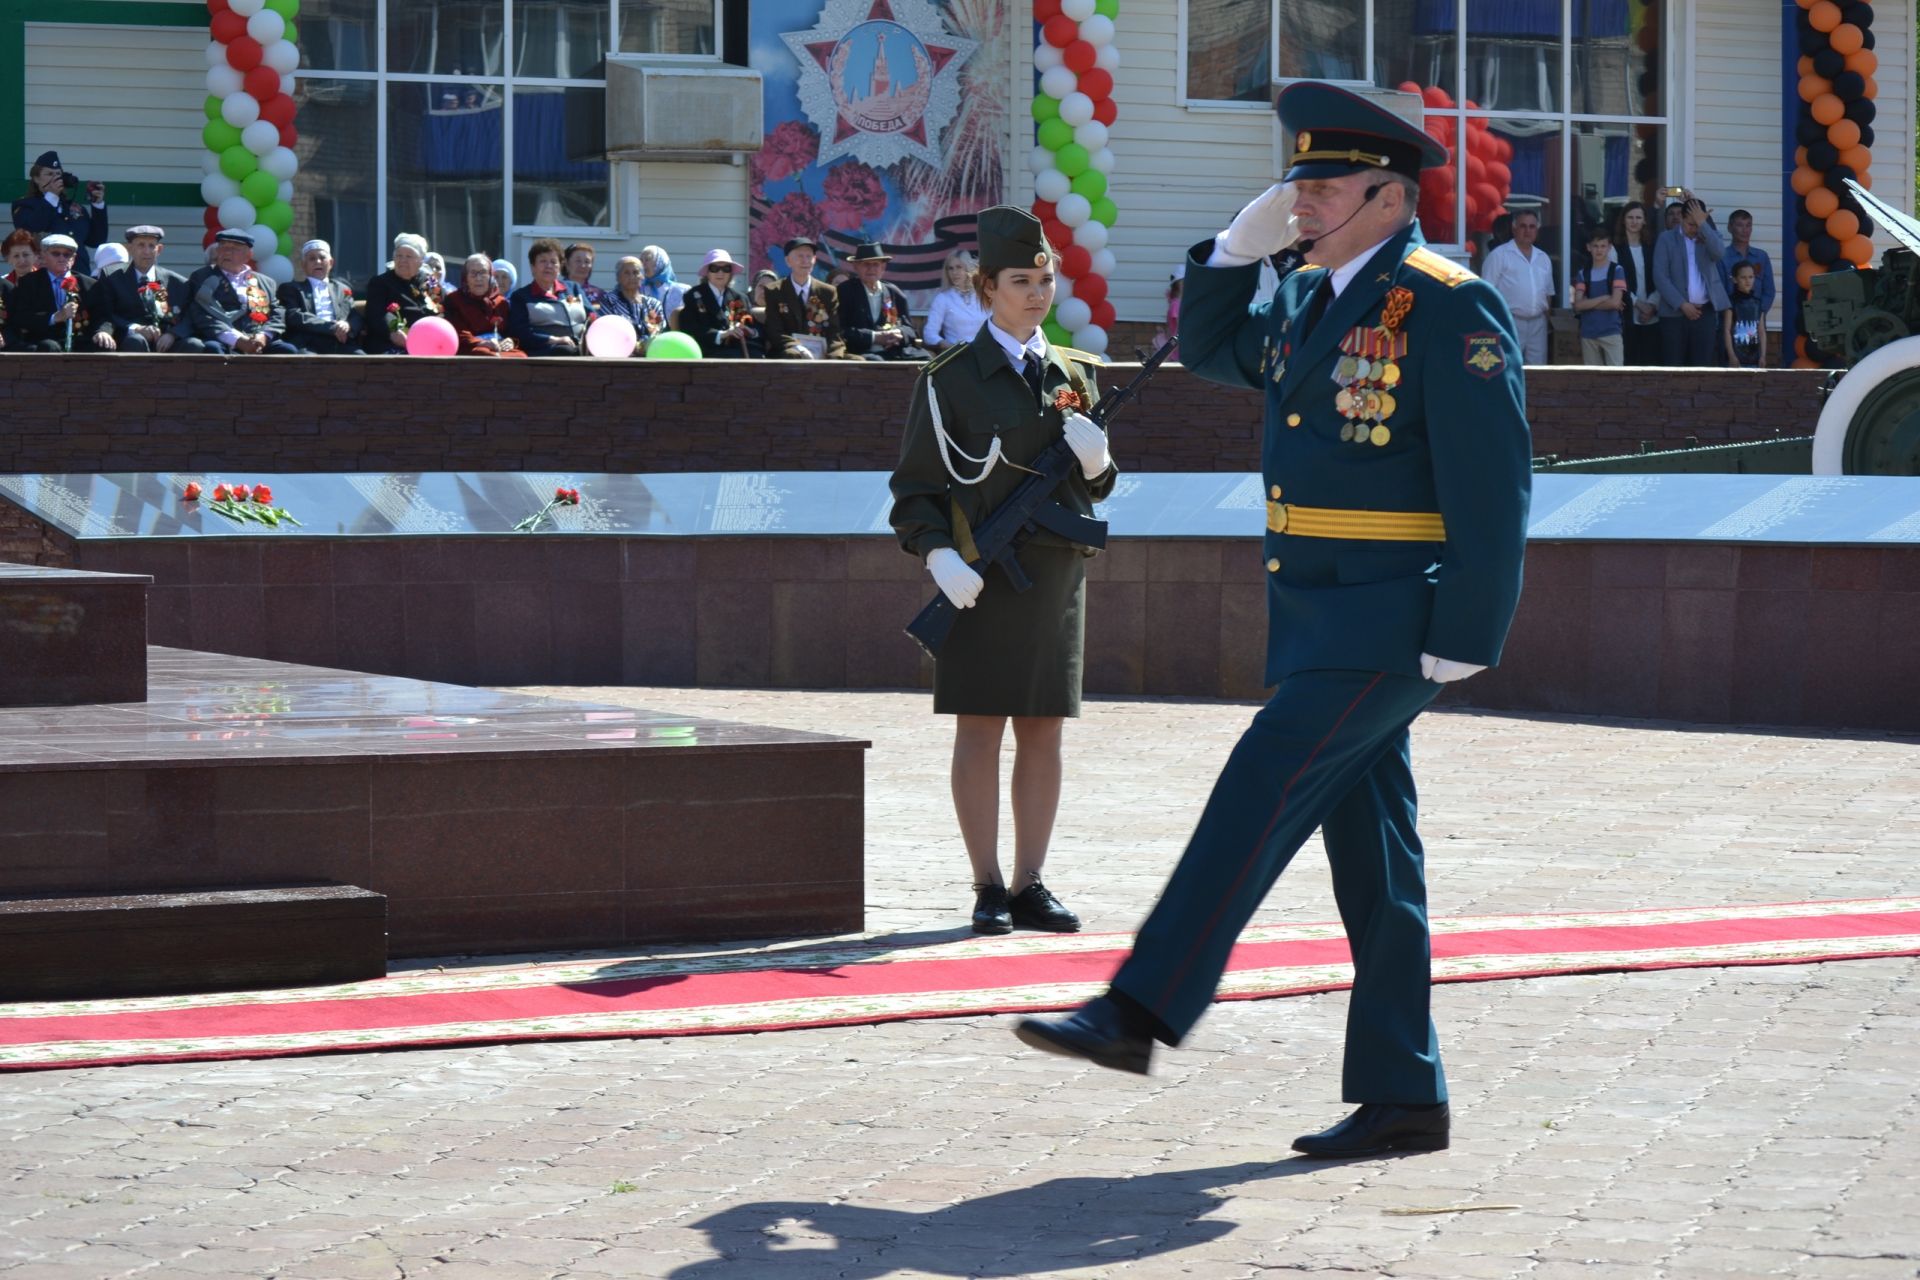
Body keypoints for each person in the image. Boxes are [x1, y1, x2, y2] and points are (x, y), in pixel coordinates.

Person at [1013, 81, 1531, 1161]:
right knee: (1375, 854)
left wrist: (1471, 624)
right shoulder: (1308, 296)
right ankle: (1403, 1091)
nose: (1303, 201)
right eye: (1296, 182)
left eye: (1326, 184)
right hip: (1317, 613)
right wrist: (1229, 251)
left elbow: (1496, 482)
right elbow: (1210, 348)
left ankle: (1141, 1006)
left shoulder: (1444, 300)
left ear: (1391, 196)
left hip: (1394, 619)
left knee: (1257, 789)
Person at [888, 205, 1116, 937]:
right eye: (1021, 280)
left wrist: (1099, 463)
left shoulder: (1077, 373)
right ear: (986, 286)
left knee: (1044, 730)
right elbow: (917, 488)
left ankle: (1030, 883)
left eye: (1045, 279)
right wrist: (936, 552)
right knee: (980, 728)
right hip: (980, 574)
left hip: (1052, 579)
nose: (1037, 293)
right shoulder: (949, 378)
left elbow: (1095, 489)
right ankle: (987, 884)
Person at [90, 225, 201, 353]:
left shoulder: (177, 282)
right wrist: (135, 329)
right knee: (136, 340)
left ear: (159, 250)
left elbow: (189, 315)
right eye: (141, 245)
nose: (147, 251)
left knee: (194, 345)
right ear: (130, 249)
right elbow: (106, 313)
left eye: (151, 246)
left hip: (166, 340)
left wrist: (173, 334)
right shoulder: (112, 277)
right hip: (129, 339)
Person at [183, 229, 297, 354]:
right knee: (212, 349)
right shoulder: (202, 277)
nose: (227, 252)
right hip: (222, 339)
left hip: (258, 339)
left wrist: (264, 336)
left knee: (288, 350)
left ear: (248, 255)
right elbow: (201, 314)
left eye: (235, 248)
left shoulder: (265, 282)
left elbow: (277, 313)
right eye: (223, 247)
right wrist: (237, 340)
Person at [1653, 190, 1726, 367]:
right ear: (1682, 219)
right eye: (1689, 224)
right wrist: (1682, 304)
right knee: (1673, 368)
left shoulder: (1707, 235)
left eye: (1697, 224)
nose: (1693, 229)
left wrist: (1704, 225)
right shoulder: (1667, 238)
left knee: (1702, 369)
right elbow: (1660, 276)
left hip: (1705, 314)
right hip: (1674, 315)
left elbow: (1719, 253)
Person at [10, 152, 107, 276]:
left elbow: (96, 240)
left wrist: (98, 206)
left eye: (58, 174)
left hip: (78, 275)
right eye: (49, 174)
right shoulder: (24, 205)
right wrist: (51, 197)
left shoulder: (75, 208)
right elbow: (31, 228)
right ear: (36, 178)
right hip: (42, 277)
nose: (55, 178)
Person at [1478, 208, 1553, 363]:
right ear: (1514, 228)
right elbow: (1486, 293)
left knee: (1539, 373)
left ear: (1537, 230)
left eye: (1532, 227)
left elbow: (1548, 293)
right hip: (1510, 322)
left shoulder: (1543, 258)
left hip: (1538, 324)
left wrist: (1547, 322)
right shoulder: (1499, 255)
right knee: (1509, 367)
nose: (1527, 231)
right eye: (1523, 226)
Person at [837, 242, 929, 361]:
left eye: (875, 264)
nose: (871, 269)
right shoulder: (844, 291)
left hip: (894, 350)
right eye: (866, 264)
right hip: (861, 352)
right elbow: (840, 331)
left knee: (925, 358)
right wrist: (874, 337)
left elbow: (910, 330)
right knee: (876, 362)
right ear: (856, 266)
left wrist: (898, 334)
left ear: (883, 268)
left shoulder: (894, 292)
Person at [3, 232, 95, 351]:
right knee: (48, 347)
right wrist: (55, 317)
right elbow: (21, 317)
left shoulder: (89, 284)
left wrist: (102, 332)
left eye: (67, 255)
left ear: (74, 258)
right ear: (43, 256)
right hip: (45, 340)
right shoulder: (29, 282)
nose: (62, 258)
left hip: (79, 339)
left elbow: (101, 315)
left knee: (101, 345)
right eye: (56, 254)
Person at [761, 236, 848, 359]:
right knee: (793, 356)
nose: (805, 261)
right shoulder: (774, 290)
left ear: (815, 260)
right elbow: (774, 330)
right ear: (787, 261)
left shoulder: (827, 292)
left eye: (809, 256)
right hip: (790, 351)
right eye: (799, 256)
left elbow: (834, 330)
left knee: (858, 362)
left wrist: (833, 355)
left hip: (822, 350)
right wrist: (797, 347)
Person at [362, 232, 443, 354]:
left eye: (408, 256)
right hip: (392, 342)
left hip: (428, 341)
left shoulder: (430, 280)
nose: (403, 260)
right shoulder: (380, 282)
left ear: (420, 261)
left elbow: (441, 304)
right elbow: (376, 314)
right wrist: (392, 332)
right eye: (399, 256)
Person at [507, 238, 590, 356]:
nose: (549, 266)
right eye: (543, 261)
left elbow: (592, 317)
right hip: (547, 351)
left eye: (553, 261)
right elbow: (520, 333)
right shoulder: (521, 297)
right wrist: (553, 339)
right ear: (532, 267)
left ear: (560, 267)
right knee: (565, 351)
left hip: (581, 347)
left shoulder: (574, 289)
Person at [676, 248, 761, 358]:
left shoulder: (739, 297)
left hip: (739, 349)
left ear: (731, 273)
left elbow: (753, 326)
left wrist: (748, 330)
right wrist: (722, 335)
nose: (720, 272)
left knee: (758, 356)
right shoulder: (693, 295)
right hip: (708, 351)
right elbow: (690, 328)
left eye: (726, 268)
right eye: (714, 268)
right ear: (707, 272)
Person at [277, 239, 359, 354]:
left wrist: (347, 325)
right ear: (303, 265)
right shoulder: (291, 288)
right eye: (312, 259)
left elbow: (354, 314)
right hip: (308, 342)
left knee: (365, 362)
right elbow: (294, 316)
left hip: (340, 340)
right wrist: (331, 327)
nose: (318, 262)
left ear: (331, 263)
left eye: (322, 257)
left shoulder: (342, 288)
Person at [1611, 201, 1662, 365]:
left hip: (1652, 315)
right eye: (1630, 217)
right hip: (1627, 315)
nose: (1634, 221)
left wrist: (1652, 306)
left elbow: (1661, 278)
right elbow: (1616, 282)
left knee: (1651, 364)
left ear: (1645, 221)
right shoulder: (1615, 248)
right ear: (1623, 220)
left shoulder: (1653, 246)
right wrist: (1638, 304)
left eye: (1638, 217)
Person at [1718, 209, 1775, 355]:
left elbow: (1769, 291)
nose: (1745, 230)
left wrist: (1757, 311)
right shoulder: (1722, 257)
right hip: (1731, 321)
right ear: (1730, 228)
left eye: (1748, 225)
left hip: (1756, 322)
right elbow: (1719, 289)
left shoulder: (1761, 257)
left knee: (1755, 363)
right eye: (1740, 225)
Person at [445, 252, 522, 356]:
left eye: (483, 273)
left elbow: (511, 331)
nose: (478, 278)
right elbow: (457, 331)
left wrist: (511, 341)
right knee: (486, 355)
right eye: (473, 273)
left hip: (498, 346)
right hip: (471, 347)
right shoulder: (454, 299)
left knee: (520, 356)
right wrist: (481, 342)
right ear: (466, 278)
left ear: (490, 277)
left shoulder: (501, 302)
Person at [1571, 224, 1626, 366]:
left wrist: (1588, 303)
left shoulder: (1617, 270)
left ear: (1609, 248)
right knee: (1592, 380)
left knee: (1616, 377)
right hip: (1588, 333)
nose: (1599, 250)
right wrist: (1604, 297)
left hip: (1611, 332)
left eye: (1603, 246)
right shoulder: (1583, 273)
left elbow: (1615, 302)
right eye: (1595, 246)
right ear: (1588, 247)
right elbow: (1578, 305)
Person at [598, 255, 668, 352]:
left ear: (642, 277)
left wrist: (645, 345)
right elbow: (607, 331)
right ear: (618, 278)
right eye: (626, 273)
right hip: (619, 355)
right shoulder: (610, 301)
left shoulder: (653, 304)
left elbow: (659, 331)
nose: (632, 277)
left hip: (651, 353)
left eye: (636, 272)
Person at [922, 250, 988, 352]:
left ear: (968, 269)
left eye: (959, 267)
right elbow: (929, 334)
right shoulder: (943, 299)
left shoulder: (983, 295)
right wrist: (948, 347)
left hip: (984, 352)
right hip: (957, 355)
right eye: (950, 268)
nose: (954, 273)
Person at [1723, 260, 1767, 369]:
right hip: (1737, 358)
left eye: (1751, 277)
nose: (1748, 281)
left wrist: (1763, 356)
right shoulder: (1731, 301)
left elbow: (1761, 331)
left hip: (1755, 358)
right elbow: (1727, 330)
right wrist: (1732, 356)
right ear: (1734, 279)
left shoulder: (1758, 302)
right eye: (1743, 277)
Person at [0, 228, 38, 352]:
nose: (22, 260)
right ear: (8, 259)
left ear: (36, 255)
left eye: (26, 255)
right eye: (16, 256)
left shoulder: (48, 282)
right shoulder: (3, 285)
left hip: (39, 339)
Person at [638, 245, 689, 322]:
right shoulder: (637, 290)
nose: (643, 264)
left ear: (660, 262)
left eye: (647, 259)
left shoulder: (681, 290)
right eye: (641, 260)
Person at [562, 243, 606, 315]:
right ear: (566, 264)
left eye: (587, 261)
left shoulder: (601, 294)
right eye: (578, 261)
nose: (583, 266)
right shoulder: (557, 290)